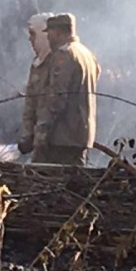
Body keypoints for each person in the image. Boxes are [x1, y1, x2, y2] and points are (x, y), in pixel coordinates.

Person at [32, 13, 100, 165]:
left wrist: (42, 131)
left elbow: (57, 97)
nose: (48, 38)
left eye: (49, 33)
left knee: (51, 182)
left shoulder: (64, 55)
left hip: (62, 137)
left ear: (58, 32)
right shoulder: (87, 54)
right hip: (81, 135)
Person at [17, 13, 54, 158]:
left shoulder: (58, 62)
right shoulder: (38, 63)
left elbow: (53, 104)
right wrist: (28, 135)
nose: (29, 39)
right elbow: (31, 104)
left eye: (33, 34)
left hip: (55, 141)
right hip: (42, 141)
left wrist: (39, 137)